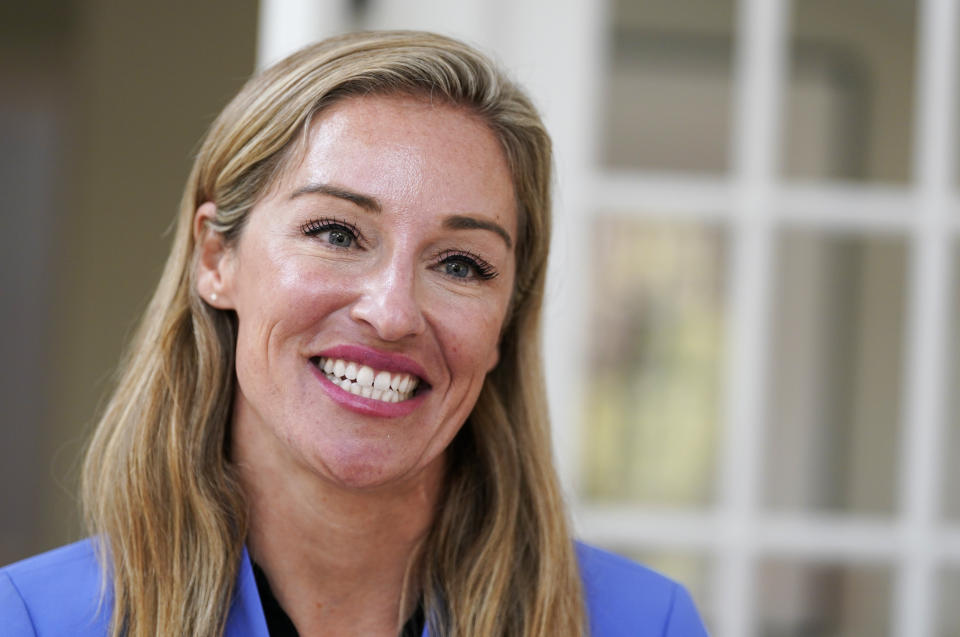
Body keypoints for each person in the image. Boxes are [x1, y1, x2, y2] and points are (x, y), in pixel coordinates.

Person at [0, 31, 708, 636]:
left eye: (462, 263)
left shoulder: (643, 622)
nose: (392, 311)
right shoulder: (35, 618)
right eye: (336, 232)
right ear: (217, 259)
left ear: (504, 324)